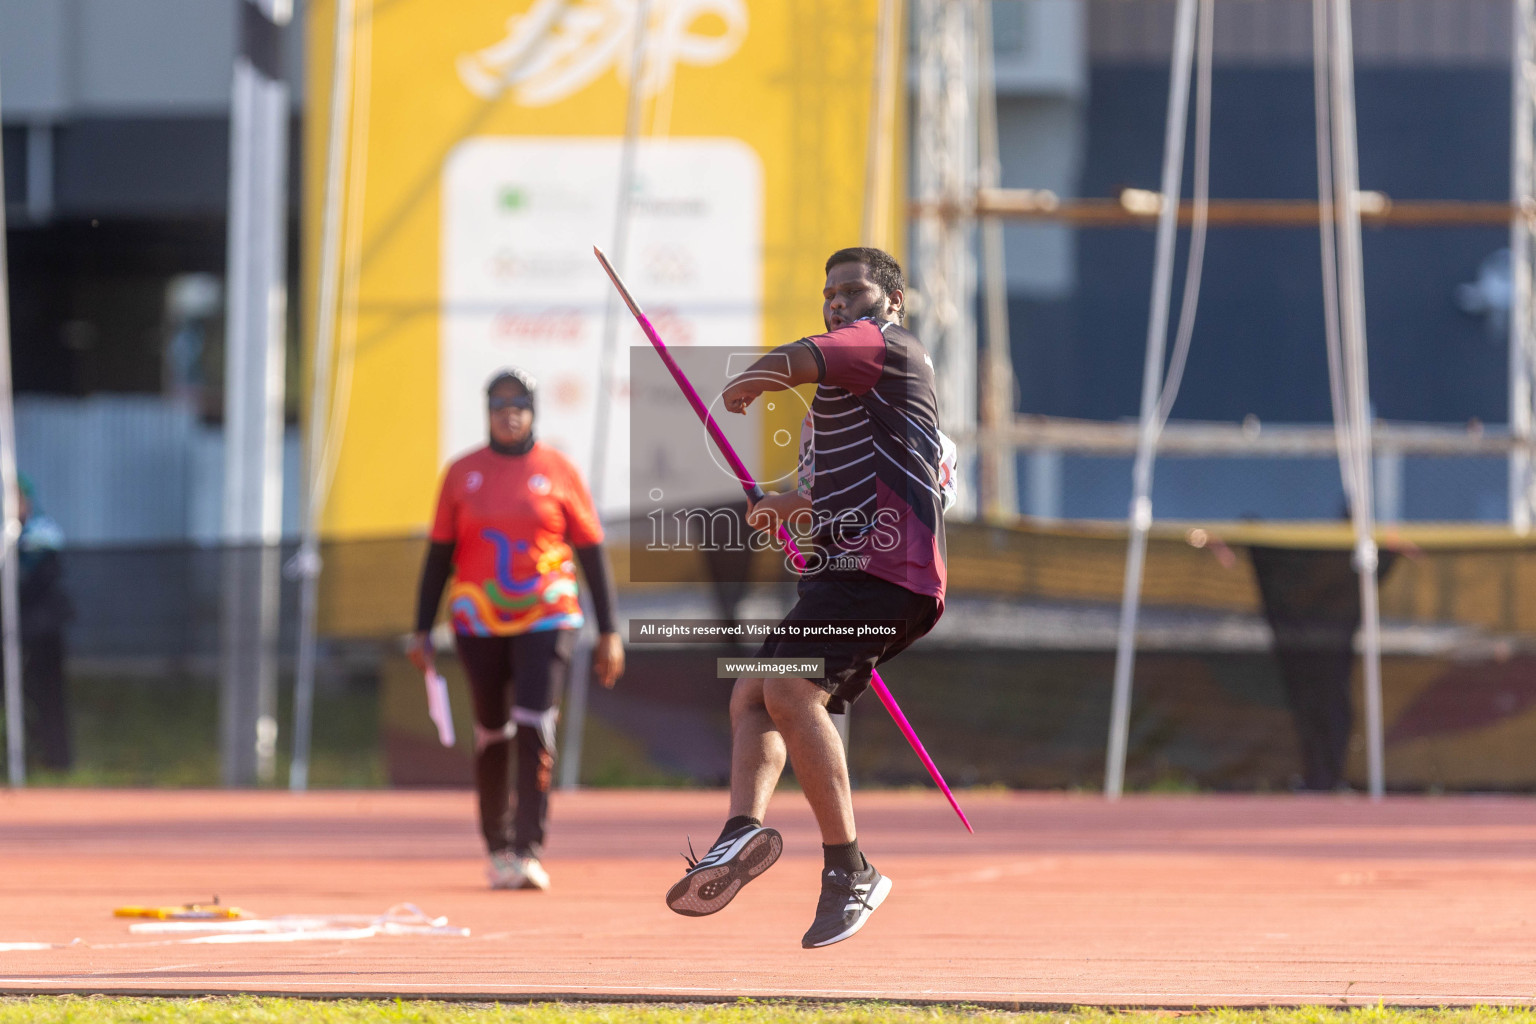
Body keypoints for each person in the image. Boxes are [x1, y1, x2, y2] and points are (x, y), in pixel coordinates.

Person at [663, 247, 947, 948]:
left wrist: (752, 381)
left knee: (790, 690)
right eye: (829, 293)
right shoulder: (837, 405)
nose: (838, 302)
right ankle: (739, 832)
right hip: (841, 571)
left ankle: (851, 870)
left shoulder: (887, 349)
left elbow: (798, 358)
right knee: (752, 695)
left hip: (888, 567)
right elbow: (832, 490)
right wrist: (785, 508)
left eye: (853, 290)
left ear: (891, 302)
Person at [409, 367, 624, 890]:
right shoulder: (462, 473)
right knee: (492, 731)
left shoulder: (558, 470)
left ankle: (527, 848)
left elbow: (592, 553)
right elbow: (439, 555)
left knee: (533, 721)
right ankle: (497, 845)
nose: (510, 412)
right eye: (500, 403)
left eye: (520, 403)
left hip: (548, 614)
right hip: (477, 619)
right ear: (486, 411)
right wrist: (420, 629)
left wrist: (609, 631)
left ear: (533, 411)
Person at [16, 473, 72, 772]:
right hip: (10, 632)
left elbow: (38, 580)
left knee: (47, 695)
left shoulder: (43, 534)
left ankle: (55, 762)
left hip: (41, 630)